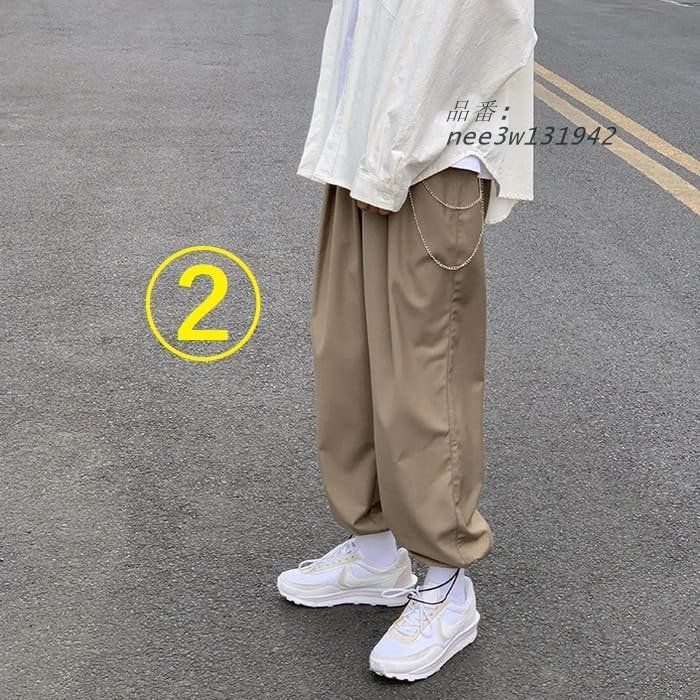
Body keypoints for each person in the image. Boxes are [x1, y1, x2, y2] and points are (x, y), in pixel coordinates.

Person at [278, 0, 537, 681]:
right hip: (368, 150)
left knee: (425, 377)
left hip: (428, 157)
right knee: (349, 356)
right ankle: (375, 553)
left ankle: (448, 587)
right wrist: (362, 146)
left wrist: (391, 153)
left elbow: (474, 24)